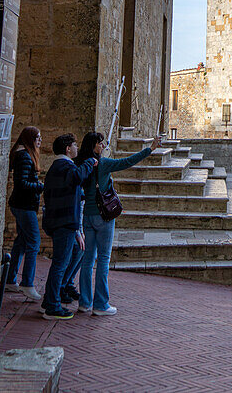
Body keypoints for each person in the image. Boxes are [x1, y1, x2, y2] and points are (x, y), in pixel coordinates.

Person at [77, 131, 162, 316]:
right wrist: (150, 149)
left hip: (87, 216)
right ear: (93, 146)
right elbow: (126, 162)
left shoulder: (81, 164)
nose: (102, 146)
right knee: (103, 260)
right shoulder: (103, 164)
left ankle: (84, 302)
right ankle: (100, 304)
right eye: (99, 144)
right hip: (103, 217)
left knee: (87, 260)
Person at [41, 133, 98, 319]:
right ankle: (52, 305)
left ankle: (54, 295)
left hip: (61, 222)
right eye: (74, 145)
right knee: (59, 264)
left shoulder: (57, 167)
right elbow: (77, 177)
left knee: (75, 253)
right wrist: (89, 162)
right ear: (67, 148)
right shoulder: (64, 166)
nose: (76, 148)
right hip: (64, 222)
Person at [7, 126, 44, 300]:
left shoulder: (25, 155)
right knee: (34, 243)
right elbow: (21, 183)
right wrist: (40, 186)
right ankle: (27, 284)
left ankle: (10, 279)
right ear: (30, 139)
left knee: (21, 242)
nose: (40, 141)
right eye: (37, 137)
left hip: (22, 205)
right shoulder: (24, 156)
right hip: (24, 206)